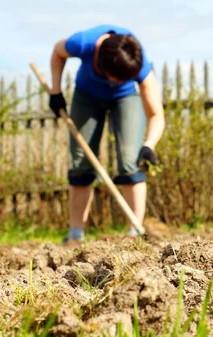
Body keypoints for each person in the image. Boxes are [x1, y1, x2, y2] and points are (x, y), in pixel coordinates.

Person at [47, 24, 165, 244]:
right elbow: (57, 51)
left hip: (126, 99)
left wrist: (149, 145)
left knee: (131, 161)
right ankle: (75, 236)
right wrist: (56, 91)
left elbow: (156, 114)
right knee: (81, 162)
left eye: (123, 79)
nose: (116, 83)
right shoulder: (83, 43)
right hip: (87, 96)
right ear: (100, 63)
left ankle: (135, 235)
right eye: (116, 78)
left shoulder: (140, 68)